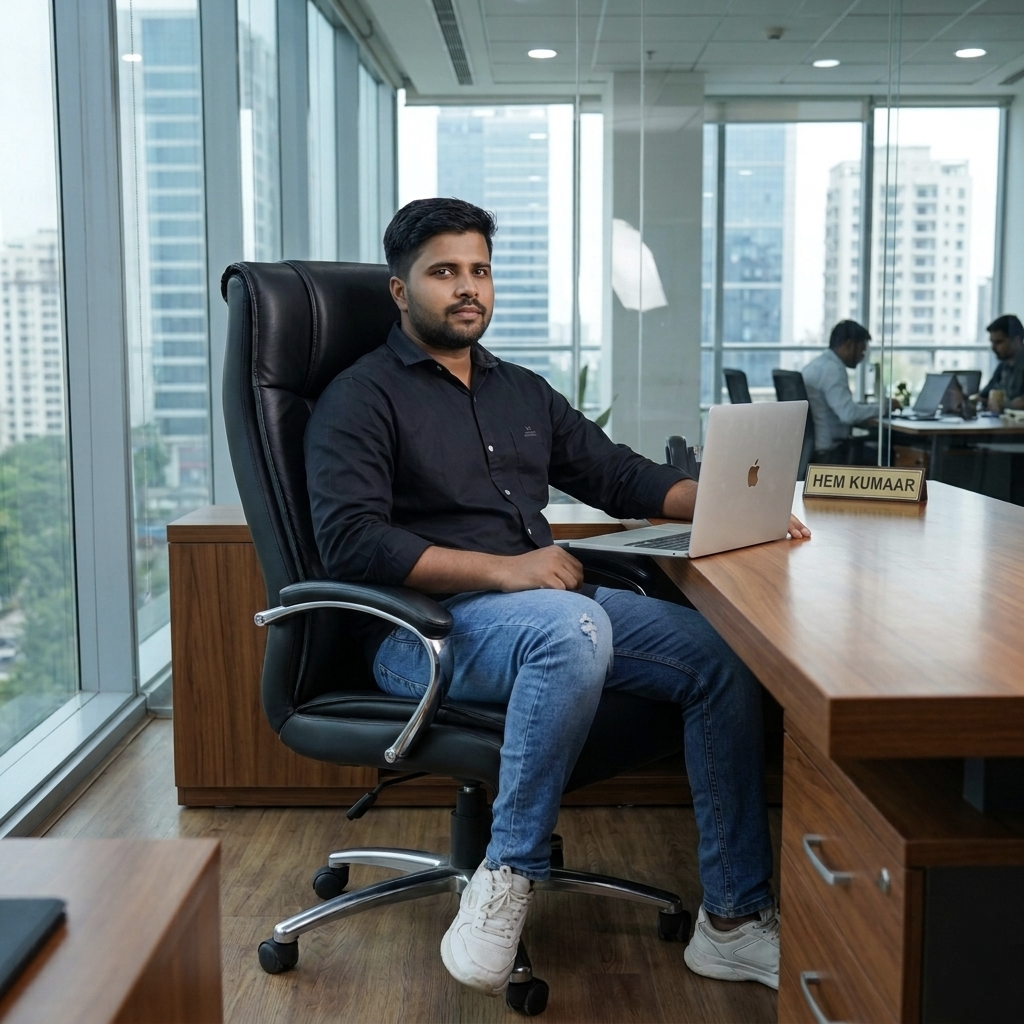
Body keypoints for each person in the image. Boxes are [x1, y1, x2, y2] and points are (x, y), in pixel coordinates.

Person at [305, 198, 811, 998]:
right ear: (400, 291)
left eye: (479, 270)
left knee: (723, 657)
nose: (467, 288)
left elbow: (617, 475)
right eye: (444, 272)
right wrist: (504, 571)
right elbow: (354, 542)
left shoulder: (520, 390)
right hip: (422, 635)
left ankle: (734, 922)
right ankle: (507, 874)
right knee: (569, 625)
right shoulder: (358, 399)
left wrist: (724, 505)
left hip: (544, 613)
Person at [802, 320, 894, 464]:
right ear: (848, 345)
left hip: (811, 450)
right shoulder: (833, 370)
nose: (862, 356)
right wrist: (885, 407)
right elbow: (848, 414)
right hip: (832, 453)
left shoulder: (814, 366)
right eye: (861, 350)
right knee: (889, 453)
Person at [979, 314, 1024, 411]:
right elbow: (985, 395)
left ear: (1017, 341)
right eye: (992, 342)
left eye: (999, 342)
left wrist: (1004, 405)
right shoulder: (1004, 366)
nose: (993, 348)